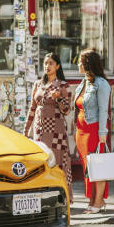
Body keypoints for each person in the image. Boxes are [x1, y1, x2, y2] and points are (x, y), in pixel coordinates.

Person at [24, 53, 74, 203]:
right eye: (45, 63)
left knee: (57, 163)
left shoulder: (64, 86)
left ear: (57, 66)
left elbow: (66, 111)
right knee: (40, 163)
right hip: (39, 131)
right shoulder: (37, 84)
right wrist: (26, 130)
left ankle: (61, 198)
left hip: (56, 133)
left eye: (51, 63)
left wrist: (58, 98)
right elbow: (32, 109)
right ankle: (39, 198)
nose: (47, 66)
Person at [72, 49, 111, 213]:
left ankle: (98, 202)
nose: (78, 64)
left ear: (88, 64)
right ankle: (93, 199)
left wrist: (103, 132)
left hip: (94, 129)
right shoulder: (84, 82)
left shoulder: (101, 84)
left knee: (97, 166)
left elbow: (103, 110)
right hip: (81, 131)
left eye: (80, 61)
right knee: (88, 167)